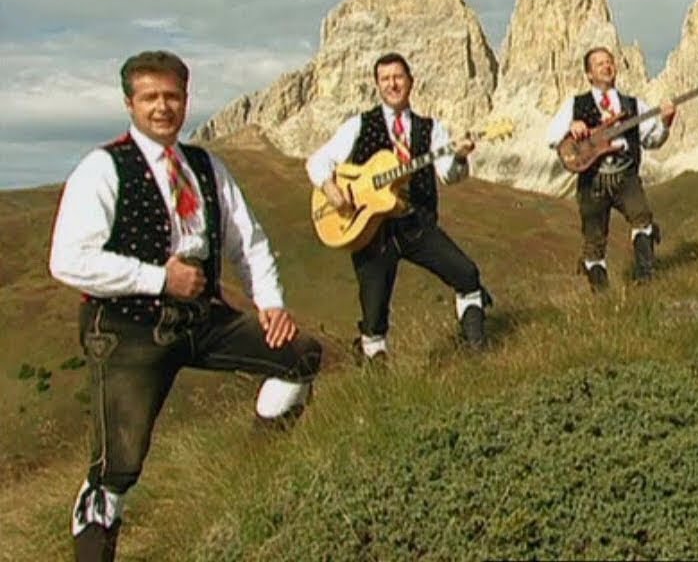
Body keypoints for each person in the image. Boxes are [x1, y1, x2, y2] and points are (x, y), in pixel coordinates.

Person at [48, 50, 323, 561]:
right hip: (127, 328)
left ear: (186, 100)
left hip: (201, 318)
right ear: (129, 104)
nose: (162, 107)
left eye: (172, 96)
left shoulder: (206, 166)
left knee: (300, 355)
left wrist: (271, 304)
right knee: (118, 470)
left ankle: (253, 472)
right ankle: (94, 535)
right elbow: (66, 261)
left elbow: (249, 241)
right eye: (150, 97)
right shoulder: (102, 169)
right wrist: (157, 278)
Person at [305, 52, 490, 362]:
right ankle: (377, 380)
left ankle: (477, 353)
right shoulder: (359, 124)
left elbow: (449, 175)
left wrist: (459, 156)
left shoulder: (431, 129)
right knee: (374, 315)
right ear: (378, 85)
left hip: (415, 224)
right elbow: (317, 161)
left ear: (411, 82)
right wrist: (332, 189)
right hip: (370, 230)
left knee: (466, 273)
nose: (392, 84)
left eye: (398, 77)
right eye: (385, 79)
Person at [546, 46, 675, 291]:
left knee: (642, 218)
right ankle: (602, 296)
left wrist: (666, 122)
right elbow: (551, 136)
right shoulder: (575, 104)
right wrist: (571, 127)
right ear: (589, 74)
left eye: (609, 62)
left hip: (626, 174)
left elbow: (653, 140)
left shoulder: (634, 104)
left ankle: (646, 278)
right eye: (599, 64)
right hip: (592, 179)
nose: (606, 67)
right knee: (594, 242)